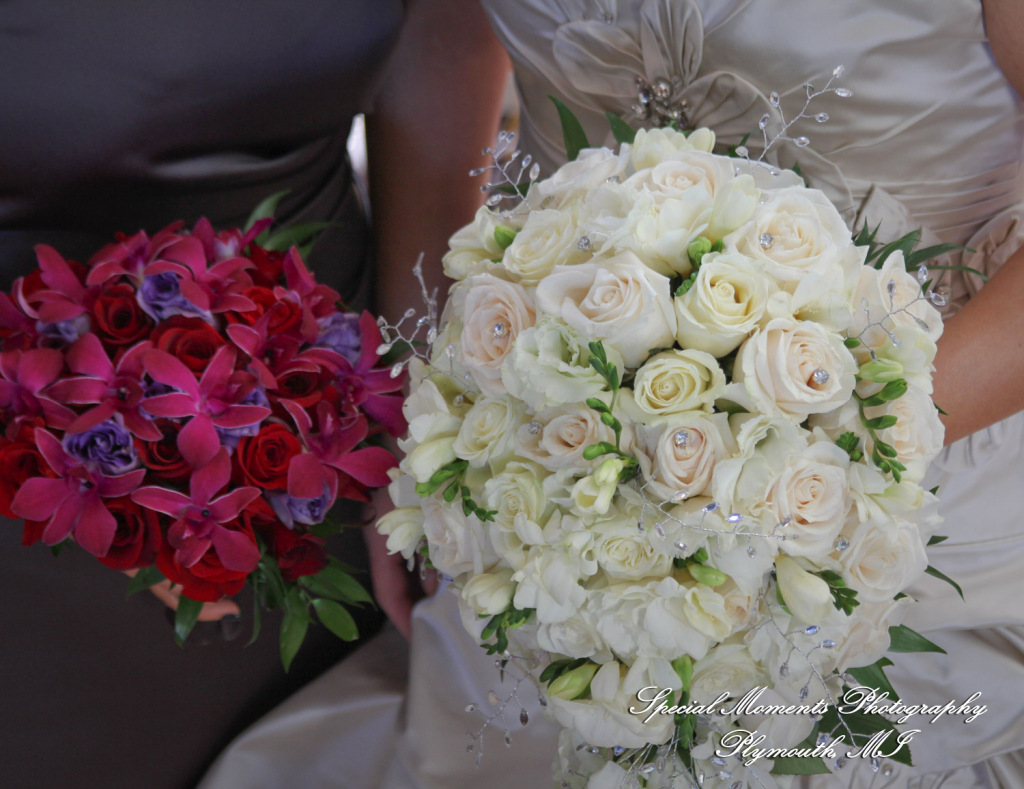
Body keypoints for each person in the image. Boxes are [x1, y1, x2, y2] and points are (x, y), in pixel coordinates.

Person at [199, 1, 1024, 787]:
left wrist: (820, 446)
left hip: (932, 467)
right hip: (548, 463)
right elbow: (445, 34)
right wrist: (424, 410)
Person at [0, 1, 507, 787]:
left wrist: (417, 409)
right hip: (44, 486)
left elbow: (440, 42)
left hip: (312, 452)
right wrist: (68, 430)